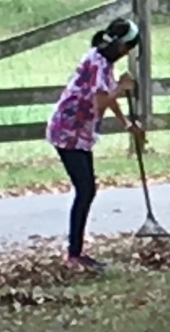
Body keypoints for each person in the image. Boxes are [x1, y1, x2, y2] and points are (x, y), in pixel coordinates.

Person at [46, 16, 146, 271]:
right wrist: (123, 88)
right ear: (123, 48)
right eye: (129, 49)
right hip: (68, 132)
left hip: (79, 133)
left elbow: (105, 95)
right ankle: (74, 255)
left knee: (87, 189)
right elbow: (99, 103)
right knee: (86, 189)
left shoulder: (102, 60)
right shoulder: (98, 64)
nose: (128, 54)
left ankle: (75, 252)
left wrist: (126, 123)